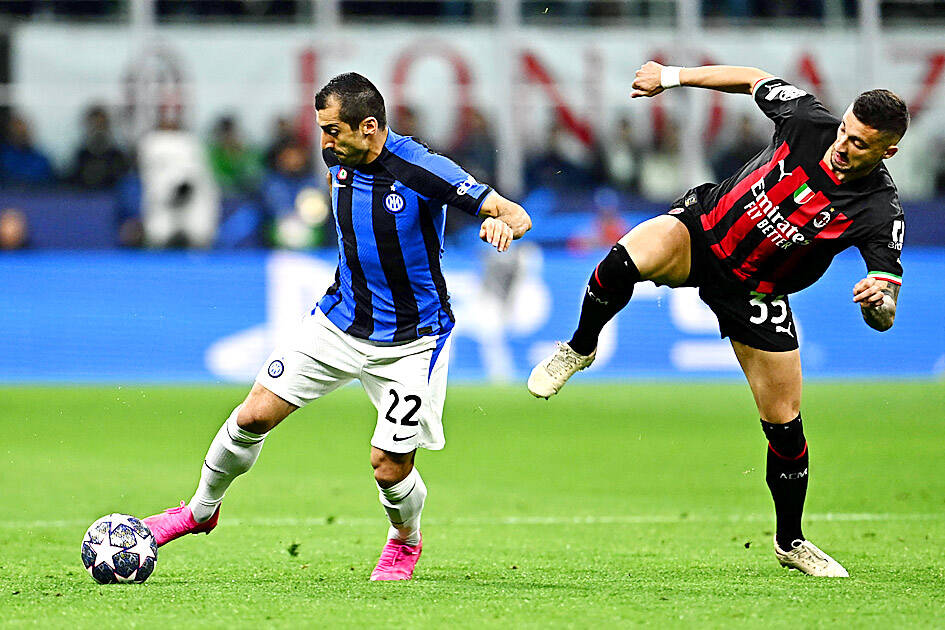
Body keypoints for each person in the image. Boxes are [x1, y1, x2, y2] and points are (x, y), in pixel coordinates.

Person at [143, 73, 531, 581]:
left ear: (369, 127)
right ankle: (199, 511)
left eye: (333, 131)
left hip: (413, 341)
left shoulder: (424, 171)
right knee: (252, 416)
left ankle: (404, 540)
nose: (324, 143)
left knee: (389, 467)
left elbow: (516, 213)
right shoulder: (338, 160)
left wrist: (502, 223)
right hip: (338, 321)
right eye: (321, 130)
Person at [528, 61, 909, 578]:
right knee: (619, 262)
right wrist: (671, 77)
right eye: (845, 130)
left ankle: (790, 541)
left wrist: (877, 304)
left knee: (786, 429)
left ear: (888, 150)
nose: (842, 145)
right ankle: (579, 347)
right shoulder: (807, 121)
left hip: (758, 292)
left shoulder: (879, 210)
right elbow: (753, 78)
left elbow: (885, 309)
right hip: (703, 232)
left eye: (860, 143)